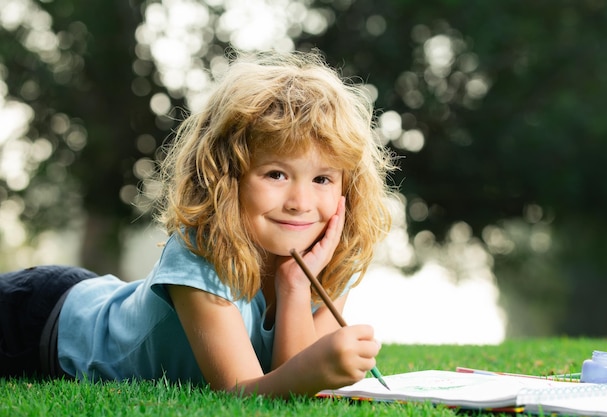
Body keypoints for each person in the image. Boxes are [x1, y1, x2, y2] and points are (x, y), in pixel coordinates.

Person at [0, 49, 396, 397]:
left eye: (322, 179)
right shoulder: (201, 250)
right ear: (228, 176)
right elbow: (242, 394)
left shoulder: (331, 260)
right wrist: (312, 370)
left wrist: (294, 285)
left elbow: (289, 389)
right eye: (276, 174)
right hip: (37, 322)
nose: (300, 203)